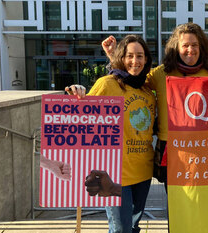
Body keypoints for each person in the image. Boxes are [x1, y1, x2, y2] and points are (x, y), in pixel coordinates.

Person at [101, 23, 208, 186]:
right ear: (176, 47)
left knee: (201, 200)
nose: (190, 50)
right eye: (185, 45)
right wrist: (115, 58)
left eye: (195, 45)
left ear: (202, 47)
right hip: (171, 148)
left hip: (201, 147)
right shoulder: (161, 73)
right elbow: (132, 79)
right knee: (174, 200)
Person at [67, 35, 156, 233]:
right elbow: (84, 116)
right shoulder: (107, 84)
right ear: (121, 58)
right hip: (115, 173)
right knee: (120, 230)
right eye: (130, 56)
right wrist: (79, 95)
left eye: (140, 56)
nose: (135, 61)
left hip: (143, 171)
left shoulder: (148, 92)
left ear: (146, 60)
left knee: (132, 227)